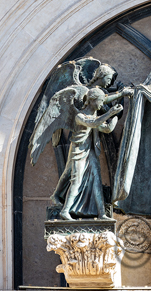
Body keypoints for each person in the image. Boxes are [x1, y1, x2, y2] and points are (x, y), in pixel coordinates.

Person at [51, 88, 124, 220]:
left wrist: (116, 116)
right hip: (78, 150)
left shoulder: (96, 116)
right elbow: (93, 123)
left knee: (97, 180)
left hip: (90, 151)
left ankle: (102, 213)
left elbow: (107, 128)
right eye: (100, 101)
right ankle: (65, 210)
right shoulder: (80, 116)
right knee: (76, 181)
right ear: (92, 101)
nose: (102, 104)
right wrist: (110, 113)